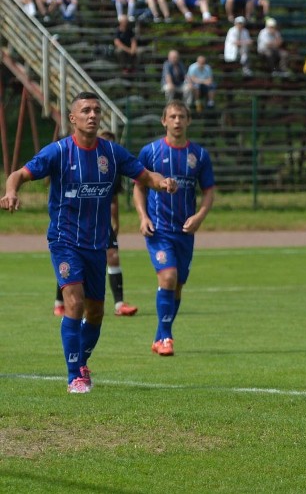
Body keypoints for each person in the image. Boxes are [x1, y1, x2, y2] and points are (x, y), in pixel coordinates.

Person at [1, 92, 177, 393]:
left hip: (98, 243)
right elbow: (18, 174)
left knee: (96, 312)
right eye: (85, 110)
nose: (92, 115)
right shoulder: (57, 152)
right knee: (75, 302)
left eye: (96, 110)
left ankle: (80, 361)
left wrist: (162, 182)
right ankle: (75, 376)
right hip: (64, 239)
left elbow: (145, 175)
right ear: (72, 118)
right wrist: (11, 191)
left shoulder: (112, 153)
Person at [133, 101, 215, 357]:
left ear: (188, 121)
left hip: (185, 232)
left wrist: (200, 216)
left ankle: (160, 336)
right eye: (172, 116)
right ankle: (167, 337)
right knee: (167, 277)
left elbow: (209, 191)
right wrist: (143, 216)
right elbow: (139, 186)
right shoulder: (150, 152)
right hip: (159, 230)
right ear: (163, 121)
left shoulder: (199, 155)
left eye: (181, 116)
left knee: (177, 285)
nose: (177, 121)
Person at [53, 129, 141, 317]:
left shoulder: (113, 166)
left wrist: (116, 222)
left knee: (113, 256)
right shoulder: (72, 158)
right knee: (71, 266)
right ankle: (60, 301)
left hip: (101, 224)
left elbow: (114, 199)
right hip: (73, 226)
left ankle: (119, 304)